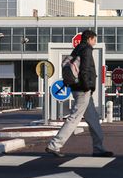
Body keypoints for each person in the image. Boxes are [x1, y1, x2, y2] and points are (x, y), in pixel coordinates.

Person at [46, 30, 113, 158]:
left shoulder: (77, 49)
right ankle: (54, 145)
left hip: (79, 88)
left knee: (93, 120)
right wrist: (87, 87)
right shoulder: (86, 49)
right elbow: (84, 70)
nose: (95, 42)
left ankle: (98, 149)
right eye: (94, 39)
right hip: (83, 90)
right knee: (74, 118)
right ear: (90, 39)